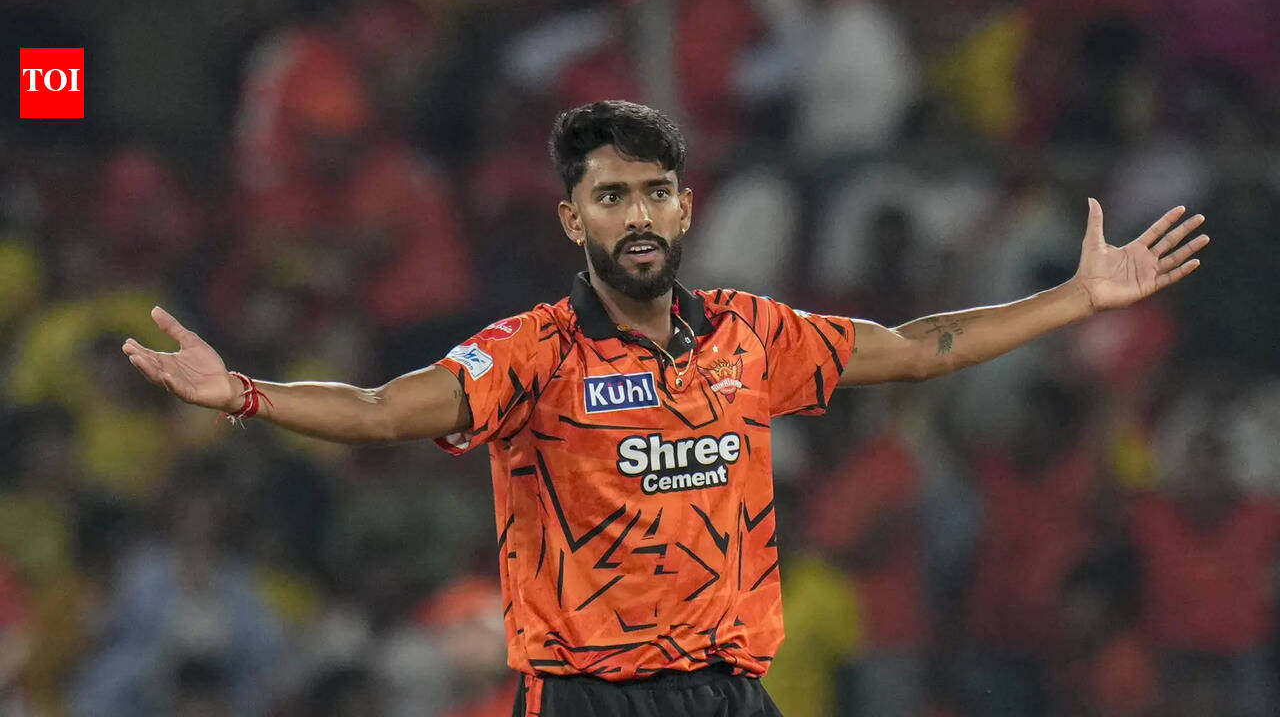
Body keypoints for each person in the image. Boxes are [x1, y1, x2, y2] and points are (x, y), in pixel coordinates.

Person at [122, 100, 1209, 717]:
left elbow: (920, 349)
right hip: (591, 698)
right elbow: (378, 410)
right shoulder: (532, 353)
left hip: (728, 693)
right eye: (610, 196)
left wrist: (1077, 299)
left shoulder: (750, 335)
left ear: (685, 207)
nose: (636, 215)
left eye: (653, 193)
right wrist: (244, 393)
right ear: (573, 220)